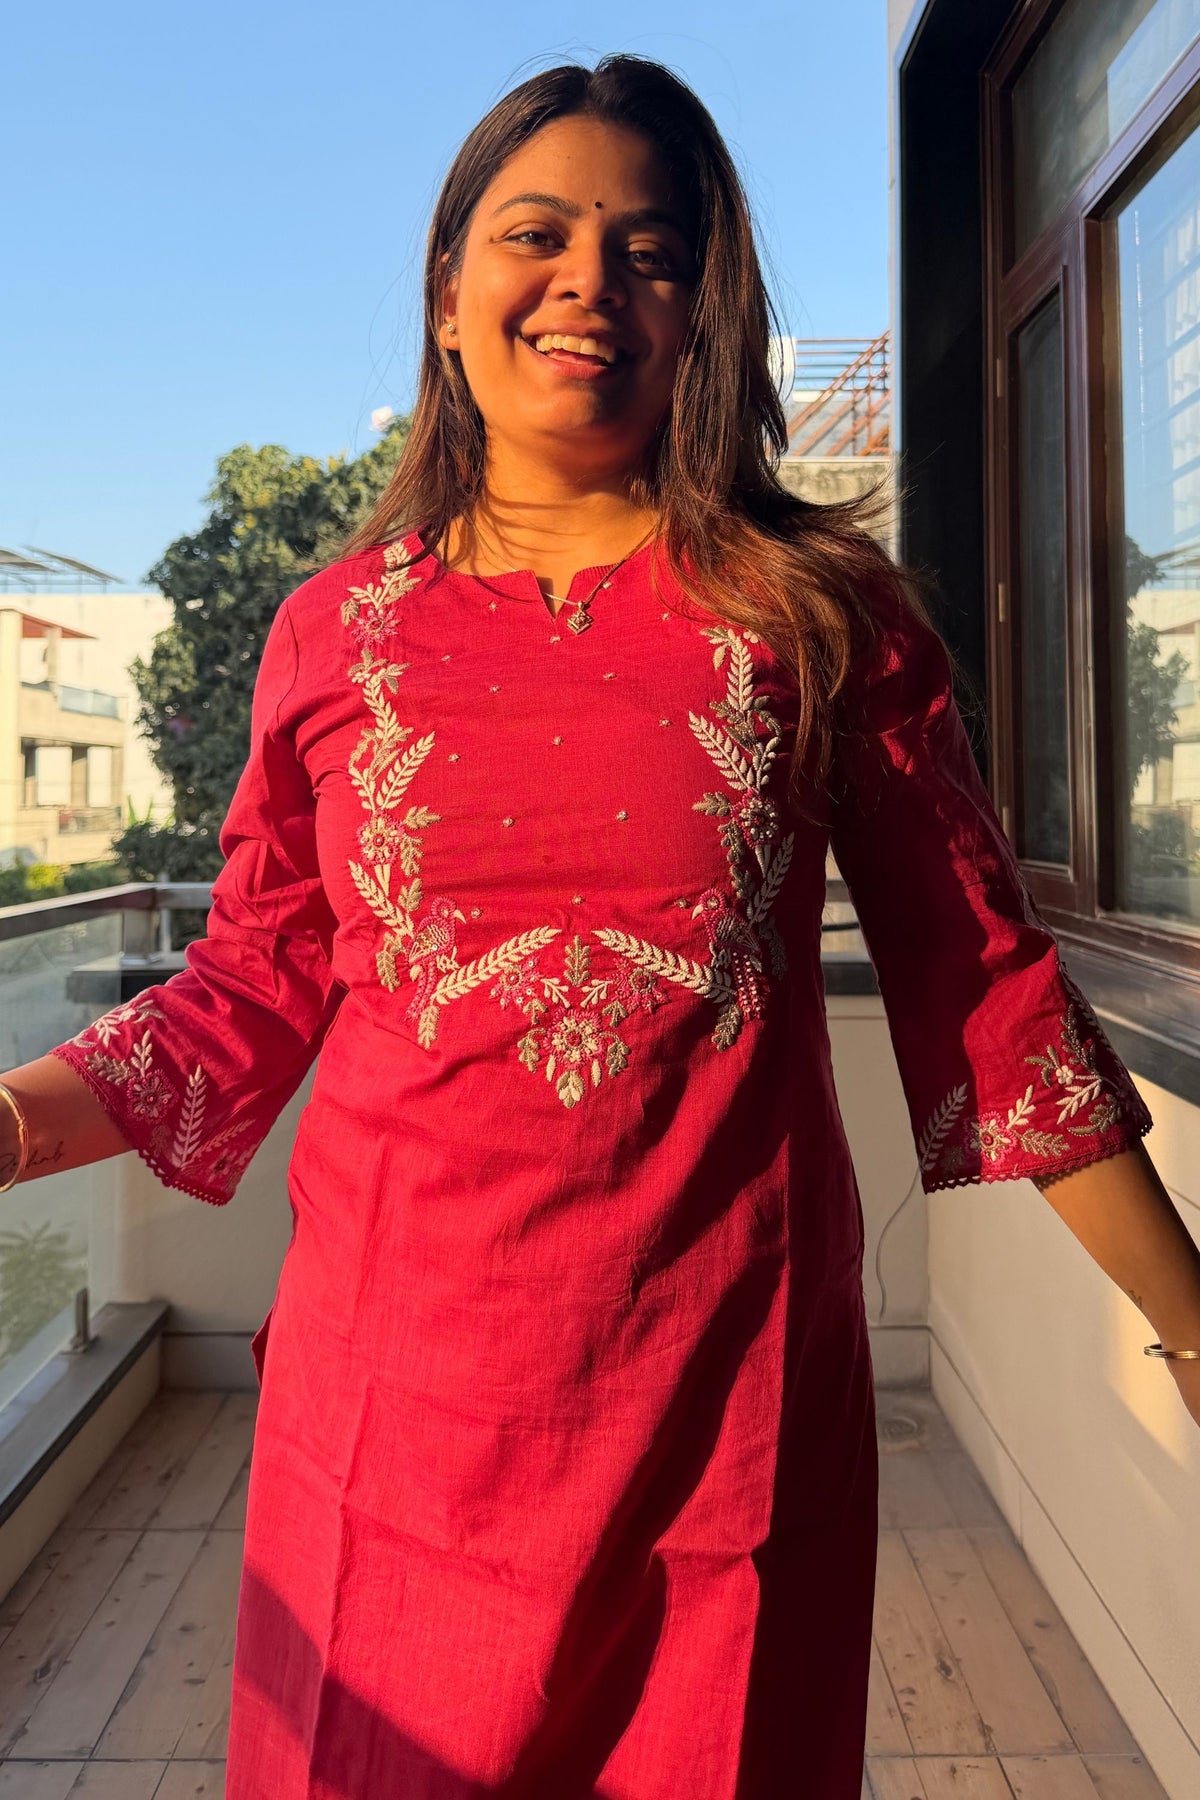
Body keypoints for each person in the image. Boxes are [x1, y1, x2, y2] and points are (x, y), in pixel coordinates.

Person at [1, 53, 1197, 1800]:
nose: (590, 282)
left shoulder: (820, 615)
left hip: (726, 1416)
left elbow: (989, 992)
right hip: (388, 1428)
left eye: (652, 250)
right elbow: (246, 986)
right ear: (448, 294)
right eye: (538, 234)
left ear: (711, 311)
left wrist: (1189, 1316)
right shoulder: (333, 633)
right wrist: (12, 1123)